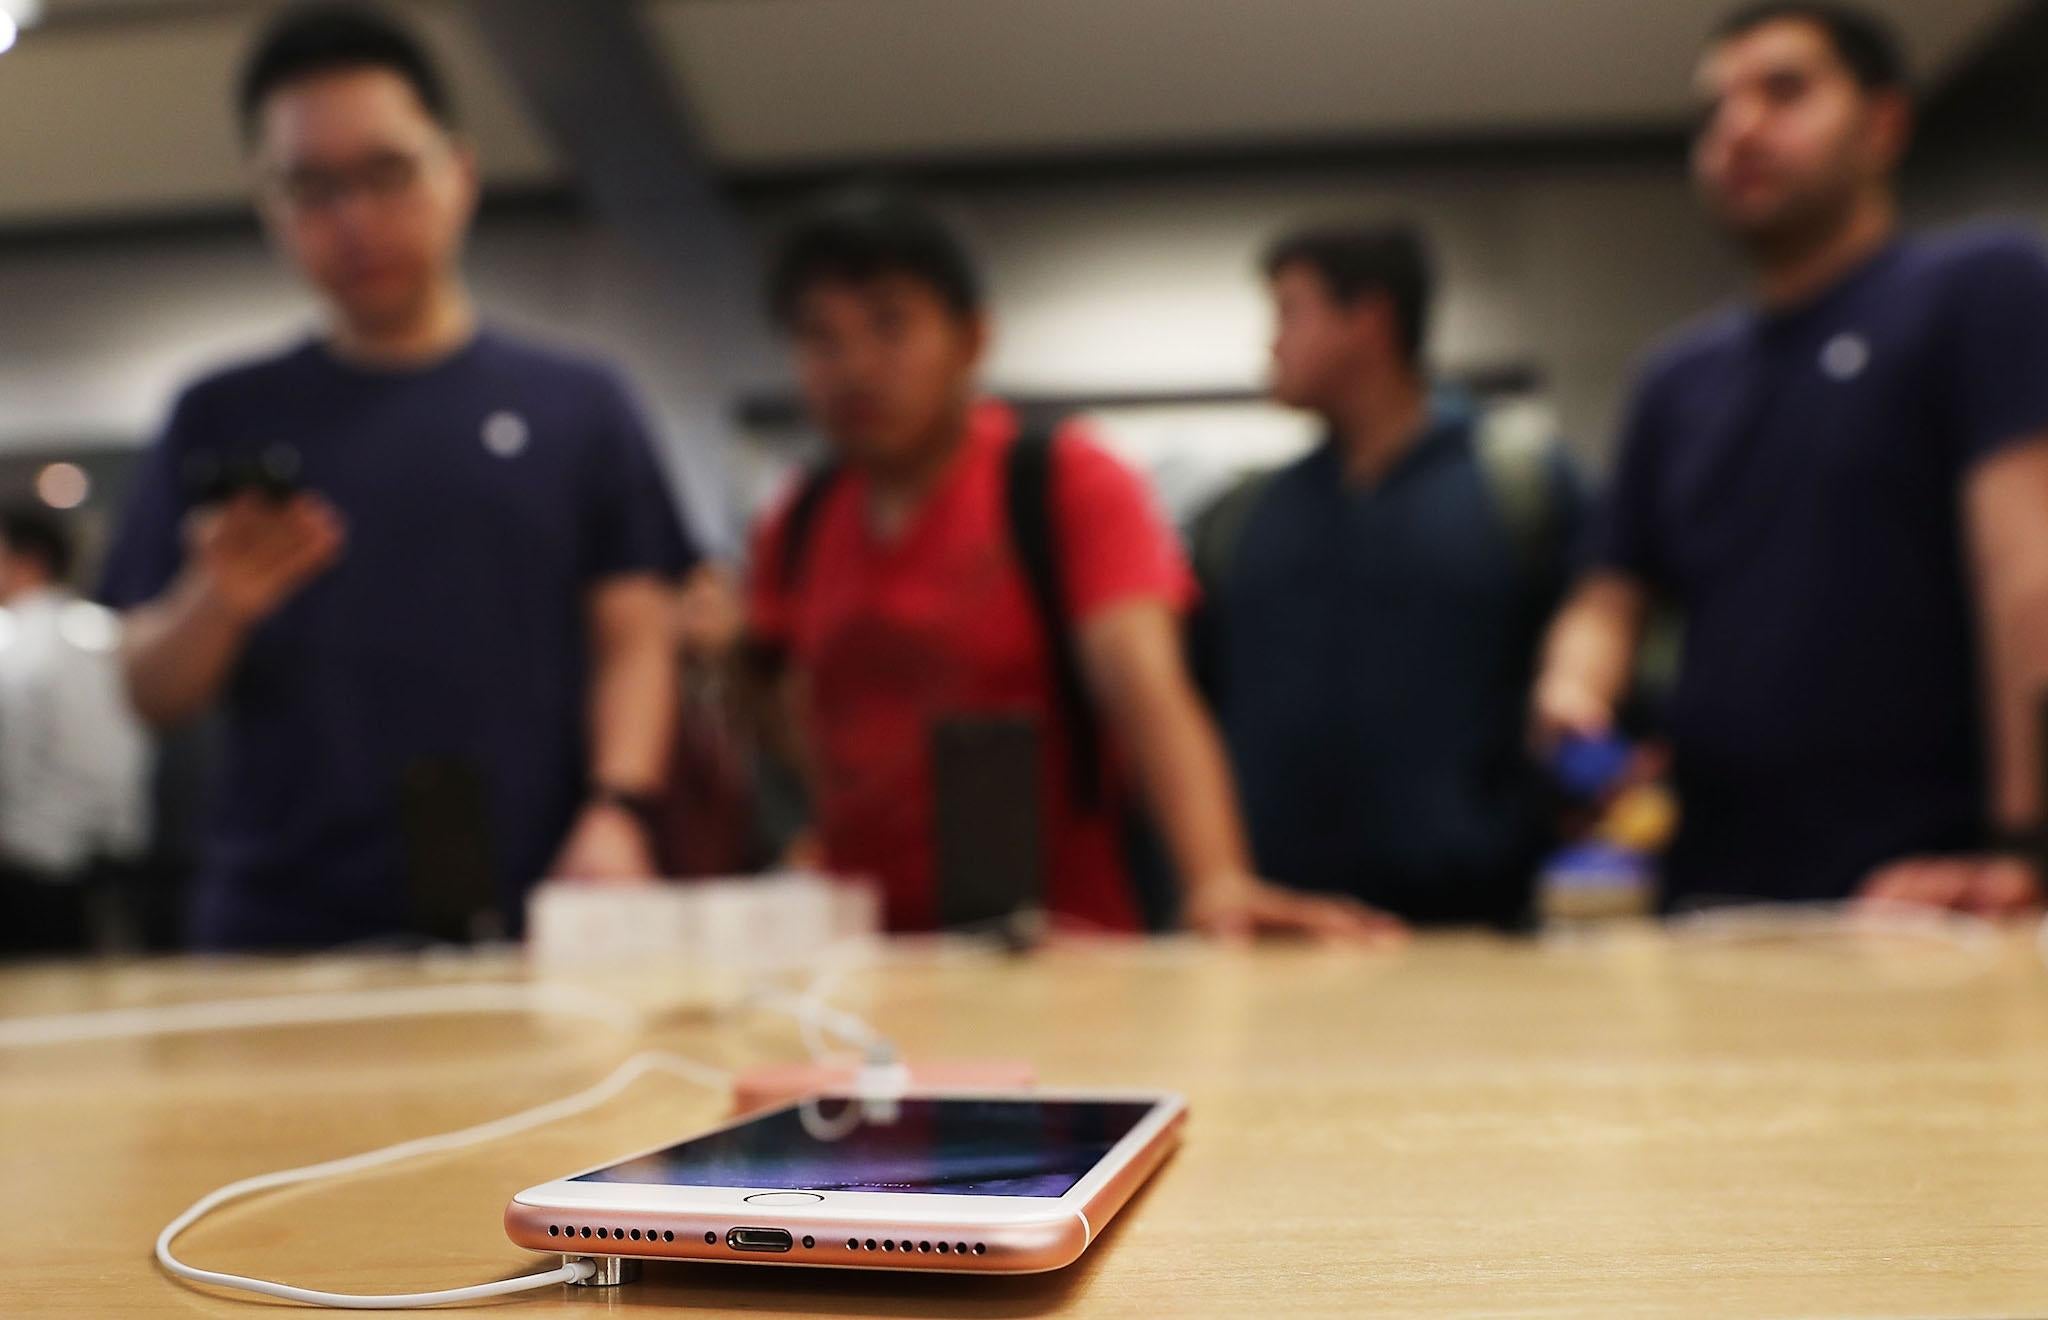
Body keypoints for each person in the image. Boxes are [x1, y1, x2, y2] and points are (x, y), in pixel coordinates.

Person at [98, 4, 694, 949]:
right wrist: (219, 600)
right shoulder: (219, 413)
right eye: (311, 187)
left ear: (457, 171)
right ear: (271, 206)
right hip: (277, 927)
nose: (355, 219)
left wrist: (620, 808)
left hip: (540, 903)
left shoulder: (580, 403)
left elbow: (635, 637)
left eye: (385, 173)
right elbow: (146, 691)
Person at [745, 188, 1400, 940]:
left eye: (890, 326)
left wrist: (1218, 882)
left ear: (971, 338)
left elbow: (1148, 689)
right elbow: (789, 702)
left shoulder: (1064, 484)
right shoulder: (799, 518)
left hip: (1056, 954)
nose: (854, 367)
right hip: (862, 966)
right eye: (820, 339)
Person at [1532, 2, 2048, 915]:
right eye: (1714, 109)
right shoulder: (1676, 377)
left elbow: (2030, 576)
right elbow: (1608, 597)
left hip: (1927, 891)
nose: (1738, 127)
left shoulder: (1978, 291)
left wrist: (2025, 843)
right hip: (1714, 897)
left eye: (1784, 90)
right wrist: (1575, 690)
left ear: (1883, 122)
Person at [1192, 224, 1585, 928]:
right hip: (1285, 931)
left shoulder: (1517, 487)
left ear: (1368, 319)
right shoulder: (1246, 518)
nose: (1271, 344)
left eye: (1289, 313)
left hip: (1479, 933)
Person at [0, 509, 150, 958]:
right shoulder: (109, 632)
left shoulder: (14, 641)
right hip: (114, 858)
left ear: (26, 560)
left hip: (29, 863)